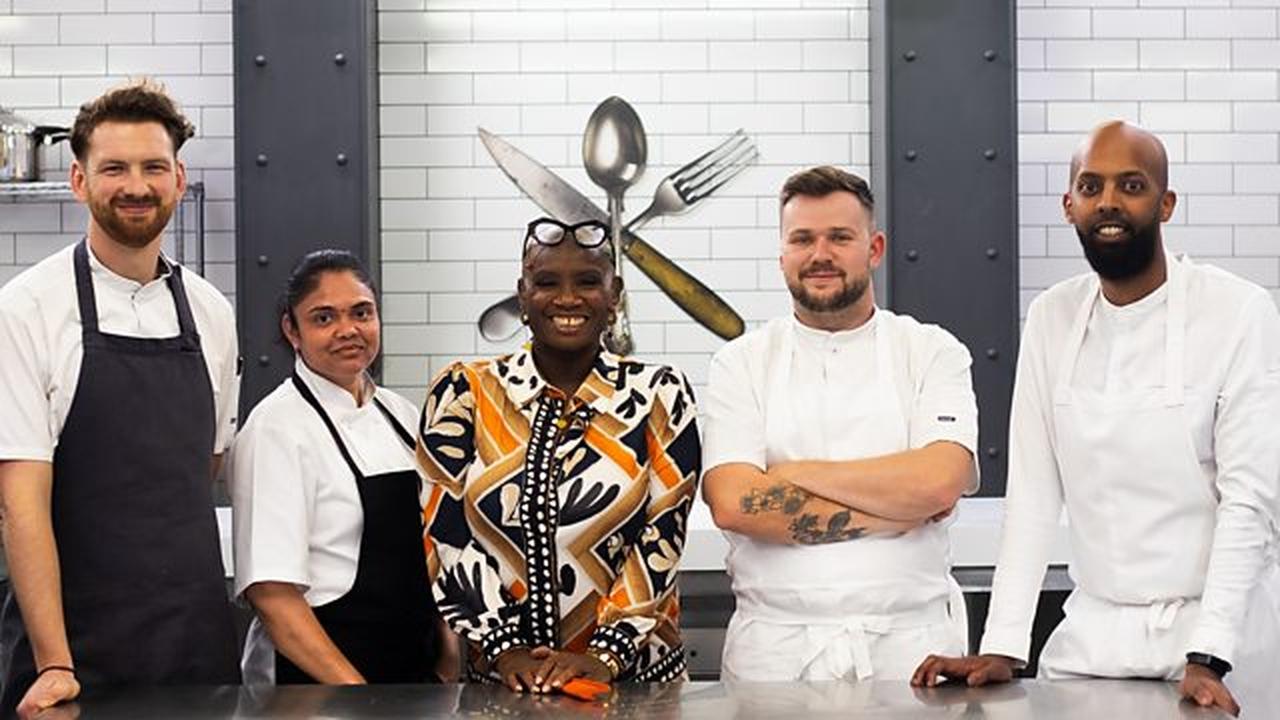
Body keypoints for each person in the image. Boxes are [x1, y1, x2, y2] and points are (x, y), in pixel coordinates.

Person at [912, 121, 1280, 719]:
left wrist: (1209, 653)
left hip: (1218, 636)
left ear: (1166, 204)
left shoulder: (1238, 312)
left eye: (1131, 185)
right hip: (1094, 635)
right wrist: (1004, 644)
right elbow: (1032, 495)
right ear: (1068, 205)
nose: (1108, 201)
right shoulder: (1052, 318)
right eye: (1091, 186)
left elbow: (1250, 502)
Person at [0, 80, 241, 716]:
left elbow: (206, 466)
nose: (136, 185)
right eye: (114, 168)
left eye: (152, 167)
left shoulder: (212, 312)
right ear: (80, 181)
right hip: (76, 650)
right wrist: (55, 662)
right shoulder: (25, 309)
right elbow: (20, 502)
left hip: (197, 646)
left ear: (178, 178)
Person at [701, 166, 980, 682]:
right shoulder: (740, 363)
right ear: (782, 254)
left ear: (874, 249)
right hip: (774, 656)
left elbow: (939, 481)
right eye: (802, 239)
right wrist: (900, 512)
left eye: (840, 238)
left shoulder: (931, 351)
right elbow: (733, 502)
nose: (820, 254)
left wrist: (791, 473)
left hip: (909, 652)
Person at [418, 217, 701, 692]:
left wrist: (605, 654)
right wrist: (504, 646)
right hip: (503, 682)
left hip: (636, 684)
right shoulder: (464, 390)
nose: (567, 298)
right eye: (546, 282)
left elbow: (663, 533)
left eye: (588, 282)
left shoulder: (660, 393)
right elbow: (442, 530)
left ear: (615, 296)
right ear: (522, 296)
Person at [229, 250, 453, 685]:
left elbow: (434, 555)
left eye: (361, 313)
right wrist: (357, 696)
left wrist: (446, 664)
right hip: (318, 682)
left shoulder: (401, 415)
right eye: (323, 318)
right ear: (291, 331)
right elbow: (273, 596)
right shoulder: (276, 429)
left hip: (411, 675)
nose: (348, 330)